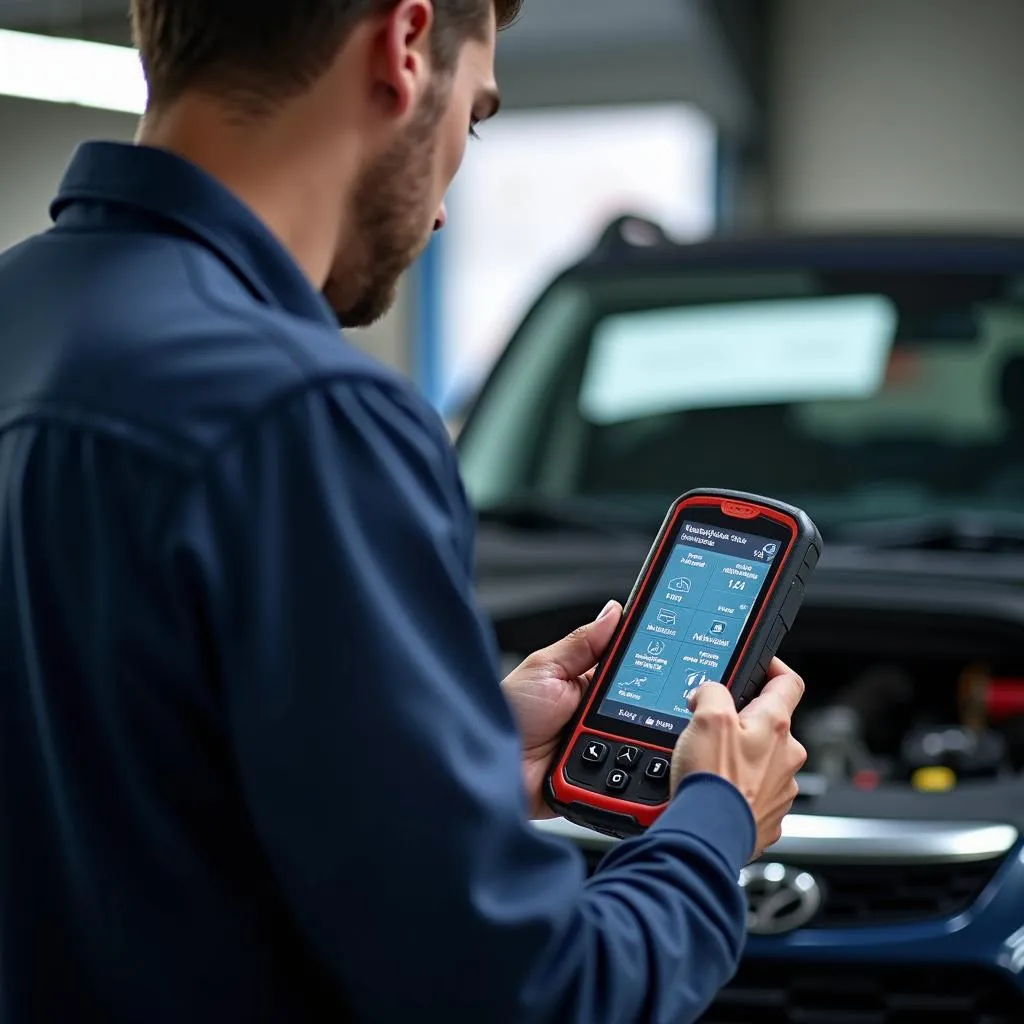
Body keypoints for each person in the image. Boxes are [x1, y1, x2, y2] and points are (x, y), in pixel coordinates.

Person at [0, 2, 807, 1021]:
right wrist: (712, 821)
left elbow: (112, 801)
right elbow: (534, 997)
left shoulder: (21, 315)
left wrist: (450, 755)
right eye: (471, 122)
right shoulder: (307, 414)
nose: (438, 213)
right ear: (405, 44)